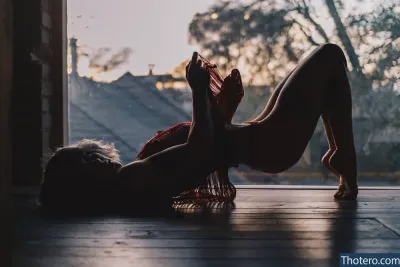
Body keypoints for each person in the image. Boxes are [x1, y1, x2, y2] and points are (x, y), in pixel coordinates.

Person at [39, 44, 358, 212]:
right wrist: (197, 90)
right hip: (270, 143)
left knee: (326, 70)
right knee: (329, 56)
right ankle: (344, 155)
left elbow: (209, 151)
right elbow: (200, 149)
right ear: (85, 184)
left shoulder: (134, 176)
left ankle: (342, 155)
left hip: (260, 137)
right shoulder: (133, 179)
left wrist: (223, 108)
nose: (96, 156)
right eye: (87, 160)